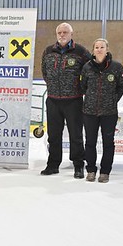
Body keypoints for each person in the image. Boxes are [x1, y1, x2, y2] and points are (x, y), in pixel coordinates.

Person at [41, 22, 92, 178]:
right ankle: (53, 164)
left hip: (74, 101)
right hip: (53, 100)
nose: (62, 35)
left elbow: (90, 72)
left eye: (65, 32)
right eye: (59, 33)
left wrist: (80, 89)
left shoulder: (81, 52)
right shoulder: (48, 51)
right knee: (53, 135)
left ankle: (78, 166)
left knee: (75, 135)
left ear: (71, 34)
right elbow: (44, 72)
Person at [79, 39, 123, 183]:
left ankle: (105, 172)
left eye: (102, 47)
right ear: (93, 50)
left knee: (108, 142)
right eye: (96, 47)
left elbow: (122, 86)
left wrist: (112, 100)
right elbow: (83, 86)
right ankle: (91, 170)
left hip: (109, 112)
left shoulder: (117, 67)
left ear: (107, 49)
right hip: (89, 112)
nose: (99, 50)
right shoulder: (87, 67)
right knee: (90, 142)